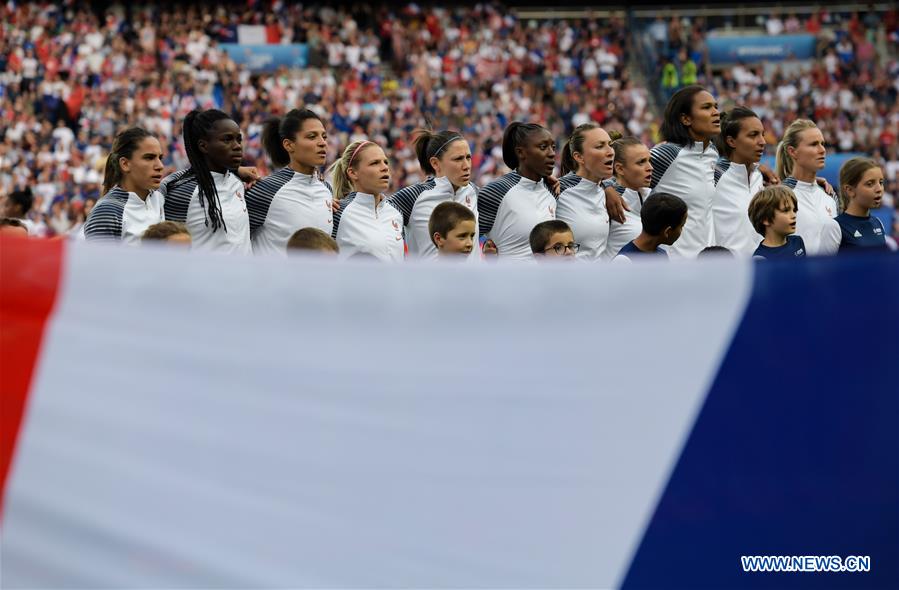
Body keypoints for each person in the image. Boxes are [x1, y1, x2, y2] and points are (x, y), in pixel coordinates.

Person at [159, 109, 252, 254]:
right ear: (203, 146)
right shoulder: (183, 193)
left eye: (238, 139)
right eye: (227, 139)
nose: (237, 146)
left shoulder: (237, 183)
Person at [247, 108, 335, 256]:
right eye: (312, 136)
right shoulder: (265, 189)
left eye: (324, 137)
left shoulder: (326, 189)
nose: (322, 143)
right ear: (289, 145)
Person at [647, 85, 720, 259]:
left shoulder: (712, 153)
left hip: (706, 264)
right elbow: (622, 172)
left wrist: (756, 168)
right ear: (686, 119)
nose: (716, 112)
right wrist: (610, 190)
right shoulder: (667, 154)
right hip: (672, 265)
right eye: (706, 107)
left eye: (716, 106)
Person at [390, 129, 478, 260]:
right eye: (458, 159)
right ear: (435, 163)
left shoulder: (474, 191)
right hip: (427, 280)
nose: (466, 166)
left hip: (472, 280)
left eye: (468, 157)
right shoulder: (413, 196)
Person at [478, 122, 558, 261]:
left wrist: (608, 187)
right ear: (520, 152)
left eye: (553, 147)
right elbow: (466, 234)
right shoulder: (496, 191)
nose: (552, 153)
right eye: (543, 147)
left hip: (546, 281)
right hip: (508, 281)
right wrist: (486, 248)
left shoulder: (553, 190)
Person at [83, 127, 165, 244]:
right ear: (125, 164)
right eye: (149, 158)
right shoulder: (106, 212)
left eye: (160, 158)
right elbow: (97, 262)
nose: (160, 165)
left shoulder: (160, 197)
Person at [329, 139, 404, 261]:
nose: (385, 167)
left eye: (385, 162)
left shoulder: (396, 213)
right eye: (375, 163)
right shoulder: (337, 212)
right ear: (353, 173)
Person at [775, 119, 841, 256]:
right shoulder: (778, 195)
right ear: (793, 152)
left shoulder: (830, 195)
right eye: (813, 144)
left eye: (822, 144)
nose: (822, 150)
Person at [555, 123, 615, 261]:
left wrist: (608, 187)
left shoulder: (606, 189)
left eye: (610, 144)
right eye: (600, 146)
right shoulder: (558, 189)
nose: (610, 151)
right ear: (579, 157)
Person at [712, 107, 766, 257]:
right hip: (725, 272)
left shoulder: (759, 177)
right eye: (753, 135)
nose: (762, 141)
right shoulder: (712, 176)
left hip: (761, 270)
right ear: (731, 141)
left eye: (762, 134)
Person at [606, 135, 653, 259]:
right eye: (641, 162)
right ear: (620, 168)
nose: (650, 168)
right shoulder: (607, 200)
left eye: (650, 160)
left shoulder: (652, 197)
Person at [835, 158, 891, 252]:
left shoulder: (878, 223)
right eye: (870, 184)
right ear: (850, 190)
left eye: (881, 182)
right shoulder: (835, 227)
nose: (879, 189)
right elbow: (824, 265)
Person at [614, 193, 688, 261]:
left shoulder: (662, 255)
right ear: (667, 232)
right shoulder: (625, 260)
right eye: (681, 226)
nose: (681, 230)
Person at [748, 185, 806, 260]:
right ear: (766, 219)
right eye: (786, 210)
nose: (794, 215)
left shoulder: (798, 242)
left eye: (794, 210)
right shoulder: (760, 259)